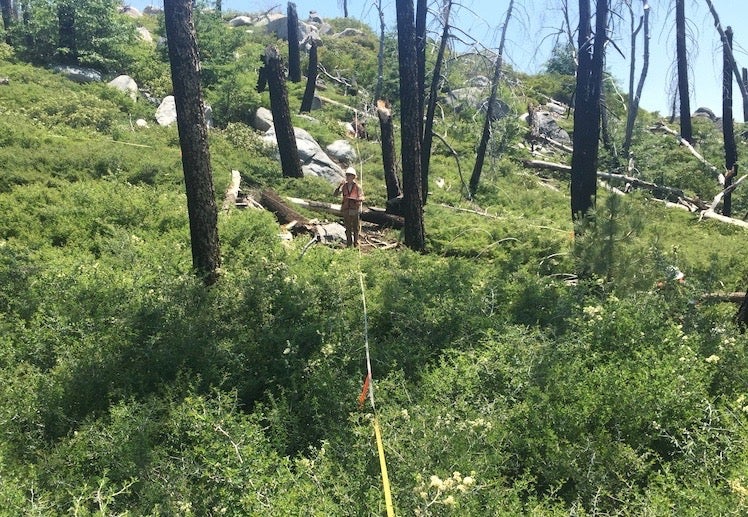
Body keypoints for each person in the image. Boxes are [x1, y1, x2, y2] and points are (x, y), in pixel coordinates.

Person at [334, 167, 364, 247]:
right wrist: (339, 186)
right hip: (346, 209)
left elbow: (362, 197)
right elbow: (335, 195)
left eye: (349, 175)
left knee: (356, 227)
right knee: (348, 227)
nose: (347, 177)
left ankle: (356, 243)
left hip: (354, 209)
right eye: (347, 175)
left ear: (354, 177)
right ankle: (349, 243)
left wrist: (356, 199)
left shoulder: (358, 187)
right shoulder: (344, 186)